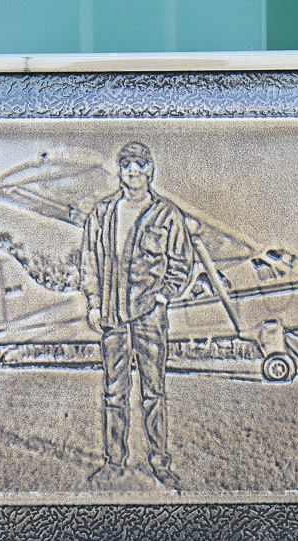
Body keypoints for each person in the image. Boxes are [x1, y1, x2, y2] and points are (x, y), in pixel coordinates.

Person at [81, 142, 193, 488]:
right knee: (114, 393)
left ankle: (160, 463)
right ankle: (114, 462)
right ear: (119, 171)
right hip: (113, 318)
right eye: (126, 163)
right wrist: (95, 304)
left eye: (139, 164)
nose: (132, 170)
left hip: (148, 318)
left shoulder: (167, 214)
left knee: (153, 392)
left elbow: (181, 264)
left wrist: (162, 296)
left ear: (150, 171)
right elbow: (89, 263)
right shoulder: (100, 215)